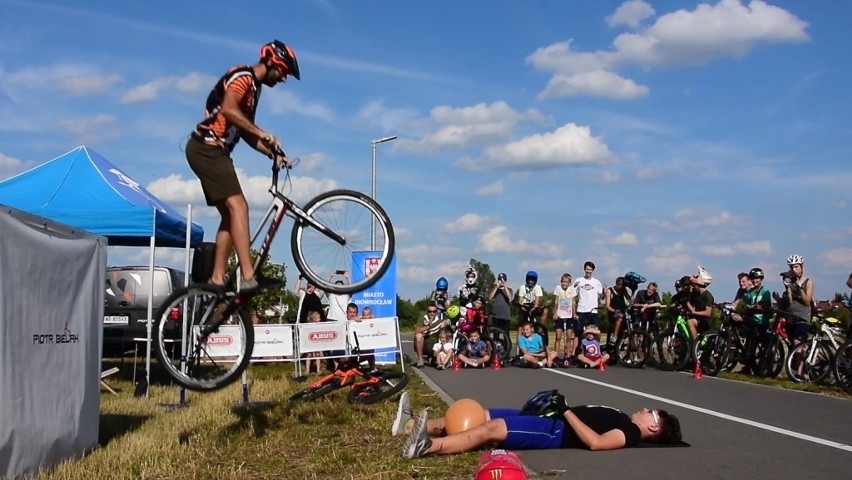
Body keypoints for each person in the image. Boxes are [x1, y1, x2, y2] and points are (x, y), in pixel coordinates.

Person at [186, 40, 299, 293]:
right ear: (271, 62)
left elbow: (246, 132)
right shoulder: (243, 77)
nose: (283, 79)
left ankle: (217, 278)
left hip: (215, 151)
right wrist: (262, 132)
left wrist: (271, 152)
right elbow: (228, 110)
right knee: (240, 206)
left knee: (229, 213)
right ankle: (248, 276)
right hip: (206, 147)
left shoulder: (255, 89)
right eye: (283, 72)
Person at [395, 393, 682, 458]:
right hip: (551, 418)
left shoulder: (630, 432)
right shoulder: (625, 419)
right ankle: (407, 427)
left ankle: (428, 447)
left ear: (654, 428)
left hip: (554, 431)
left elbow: (596, 443)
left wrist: (565, 410)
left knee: (491, 429)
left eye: (651, 412)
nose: (645, 409)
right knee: (480, 413)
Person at [774, 254, 814, 350]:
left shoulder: (808, 282)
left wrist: (799, 287)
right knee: (792, 345)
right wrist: (788, 287)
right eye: (791, 267)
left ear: (802, 267)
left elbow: (807, 301)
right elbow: (790, 301)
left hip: (803, 318)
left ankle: (800, 365)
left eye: (796, 266)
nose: (794, 269)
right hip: (791, 318)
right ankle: (797, 363)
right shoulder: (790, 281)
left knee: (797, 343)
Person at [739, 267, 772, 374]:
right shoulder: (750, 292)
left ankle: (763, 368)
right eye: (753, 278)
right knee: (750, 347)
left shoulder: (765, 291)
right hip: (752, 322)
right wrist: (752, 306)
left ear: (761, 279)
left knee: (763, 346)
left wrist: (754, 307)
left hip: (762, 322)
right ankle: (749, 367)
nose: (755, 280)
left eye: (757, 278)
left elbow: (765, 305)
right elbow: (744, 304)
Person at [552, 273, 577, 364]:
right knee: (558, 337)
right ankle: (556, 355)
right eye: (563, 282)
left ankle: (568, 356)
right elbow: (556, 302)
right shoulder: (558, 288)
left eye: (566, 282)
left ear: (569, 283)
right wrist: (555, 313)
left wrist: (574, 314)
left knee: (569, 337)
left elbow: (573, 302)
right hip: (560, 315)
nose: (564, 284)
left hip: (569, 315)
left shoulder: (572, 290)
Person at [685, 267, 715, 341]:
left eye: (694, 285)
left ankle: (695, 343)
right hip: (697, 318)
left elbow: (708, 313)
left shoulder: (708, 296)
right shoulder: (695, 294)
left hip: (705, 322)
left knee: (690, 322)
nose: (693, 287)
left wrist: (694, 312)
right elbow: (692, 307)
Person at [413, 303, 447, 368]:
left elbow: (443, 336)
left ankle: (432, 358)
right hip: (423, 344)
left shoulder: (439, 321)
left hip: (433, 345)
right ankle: (420, 360)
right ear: (427, 312)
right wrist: (428, 326)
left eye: (434, 311)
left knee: (434, 363)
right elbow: (416, 331)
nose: (432, 313)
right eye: (430, 311)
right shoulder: (422, 319)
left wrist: (443, 328)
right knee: (419, 336)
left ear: (436, 312)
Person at [515, 271, 545, 342]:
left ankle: (540, 329)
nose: (530, 281)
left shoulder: (538, 287)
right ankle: (518, 348)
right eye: (529, 279)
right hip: (524, 307)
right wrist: (523, 308)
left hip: (533, 307)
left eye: (532, 280)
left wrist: (532, 309)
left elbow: (537, 301)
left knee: (533, 324)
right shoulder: (522, 287)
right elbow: (520, 301)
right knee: (520, 327)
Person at [604, 277, 632, 348]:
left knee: (630, 321)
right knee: (619, 317)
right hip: (613, 313)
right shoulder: (609, 291)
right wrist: (614, 311)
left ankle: (631, 342)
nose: (621, 288)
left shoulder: (623, 290)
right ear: (617, 284)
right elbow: (607, 306)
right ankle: (614, 337)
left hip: (623, 312)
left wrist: (633, 291)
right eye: (620, 286)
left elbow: (630, 301)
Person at [574, 261, 603, 329]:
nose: (588, 271)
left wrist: (604, 290)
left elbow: (602, 296)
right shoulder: (578, 281)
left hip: (593, 311)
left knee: (594, 331)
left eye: (590, 269)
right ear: (584, 269)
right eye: (587, 269)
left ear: (592, 270)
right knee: (578, 332)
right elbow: (572, 295)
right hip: (581, 310)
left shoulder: (597, 282)